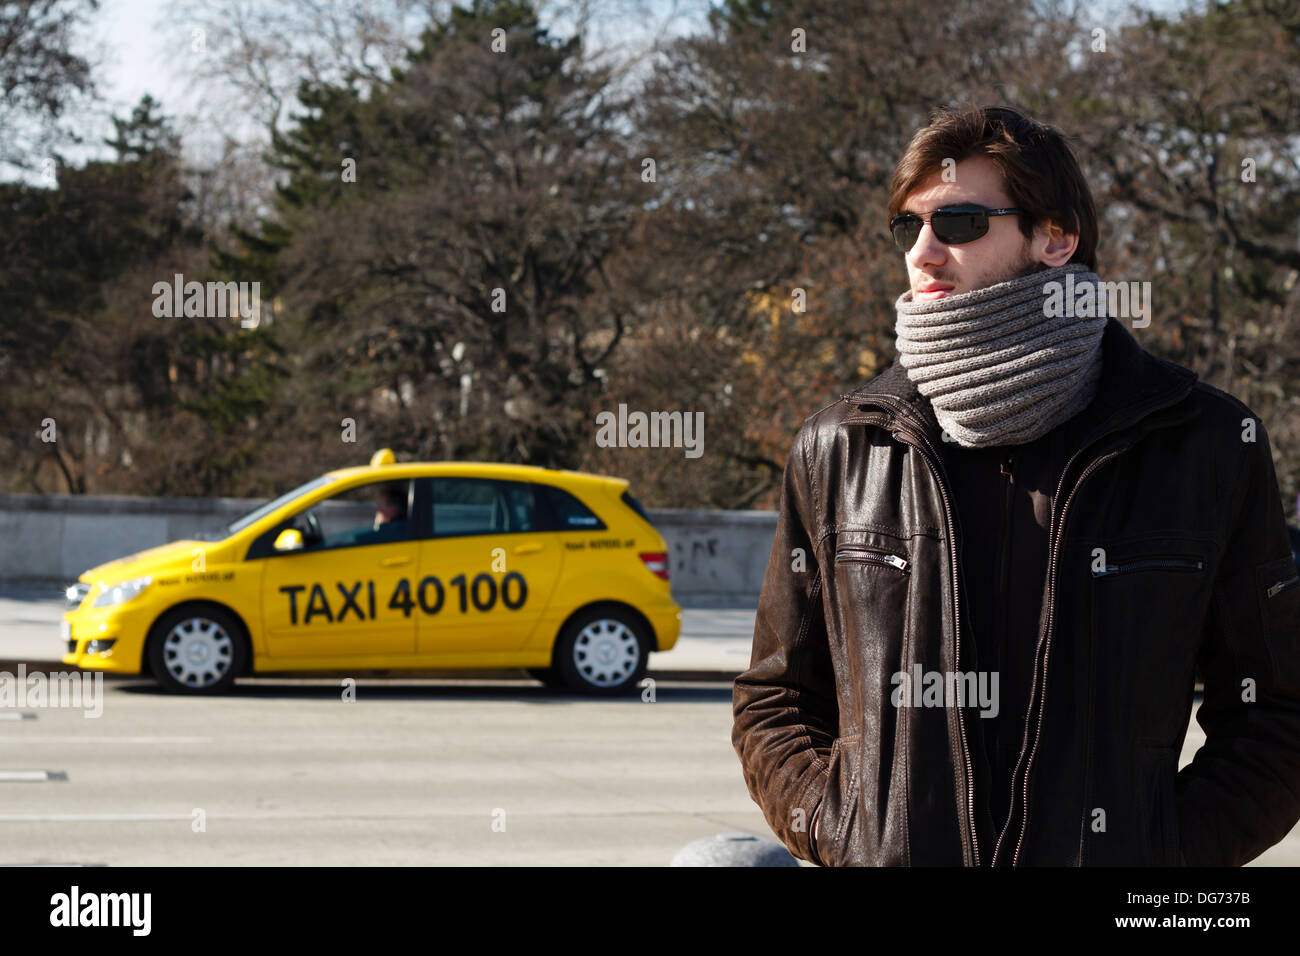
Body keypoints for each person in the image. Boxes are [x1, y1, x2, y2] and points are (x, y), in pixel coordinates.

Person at [732, 104, 1300, 866]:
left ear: (1056, 238)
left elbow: (1275, 713)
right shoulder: (841, 446)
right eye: (909, 228)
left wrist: (1161, 853)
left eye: (960, 223)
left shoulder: (1202, 443)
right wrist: (846, 831)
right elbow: (776, 700)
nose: (924, 254)